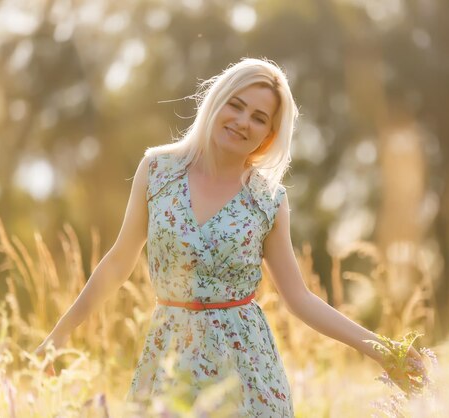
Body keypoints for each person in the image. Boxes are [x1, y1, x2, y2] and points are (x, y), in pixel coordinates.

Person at [34, 57, 426, 416]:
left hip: (248, 370)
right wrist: (59, 335)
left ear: (269, 136)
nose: (242, 122)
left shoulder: (268, 200)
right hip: (170, 356)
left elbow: (300, 298)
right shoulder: (157, 170)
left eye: (259, 118)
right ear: (216, 103)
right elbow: (118, 262)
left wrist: (381, 350)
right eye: (235, 105)